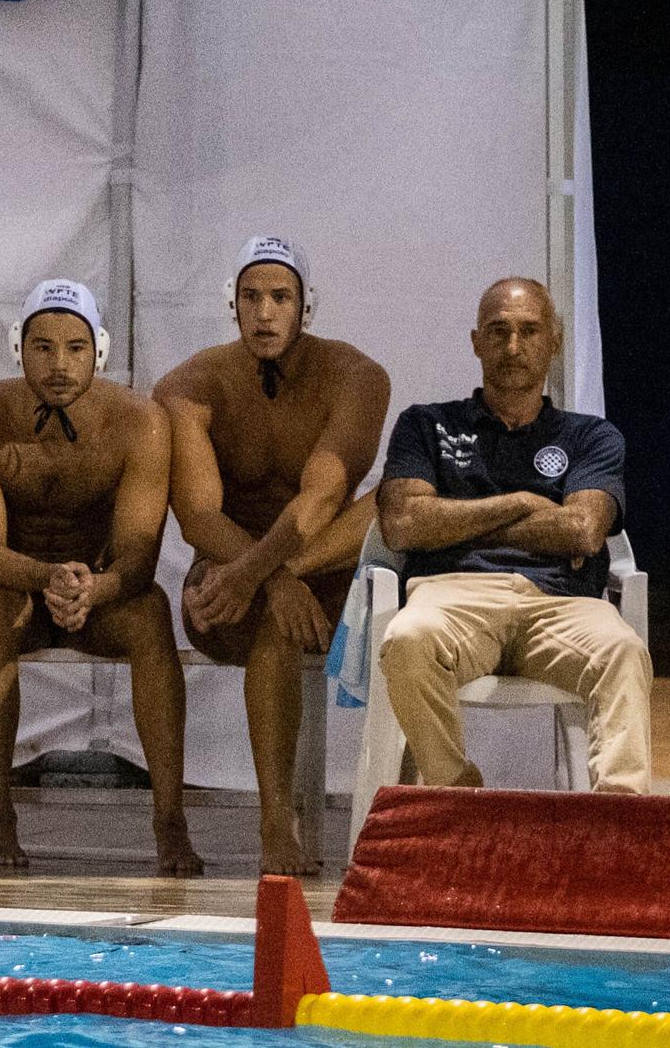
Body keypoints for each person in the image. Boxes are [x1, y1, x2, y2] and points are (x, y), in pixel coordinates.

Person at [0, 279, 200, 874]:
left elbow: (139, 551)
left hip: (101, 593)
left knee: (152, 614)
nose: (59, 364)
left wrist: (95, 588)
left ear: (99, 351)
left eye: (76, 348)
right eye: (43, 347)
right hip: (10, 585)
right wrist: (51, 578)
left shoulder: (141, 422)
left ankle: (170, 819)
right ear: (18, 347)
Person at [154, 235, 389, 876]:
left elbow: (324, 495)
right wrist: (266, 581)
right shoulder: (188, 385)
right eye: (250, 297)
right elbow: (199, 515)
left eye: (279, 297)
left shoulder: (357, 377)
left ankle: (360, 822)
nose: (264, 313)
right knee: (271, 623)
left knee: (393, 498)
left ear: (306, 305)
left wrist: (271, 574)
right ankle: (274, 818)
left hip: (320, 562)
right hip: (224, 572)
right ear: (231, 305)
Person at [376, 277, 649, 792]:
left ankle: (620, 825)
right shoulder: (426, 425)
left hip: (562, 605)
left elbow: (582, 530)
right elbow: (404, 523)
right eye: (498, 332)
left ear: (554, 341)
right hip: (453, 595)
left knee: (624, 652)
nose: (513, 347)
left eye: (529, 331)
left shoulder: (591, 436)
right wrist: (524, 503)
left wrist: (453, 521)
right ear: (476, 342)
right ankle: (460, 792)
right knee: (406, 640)